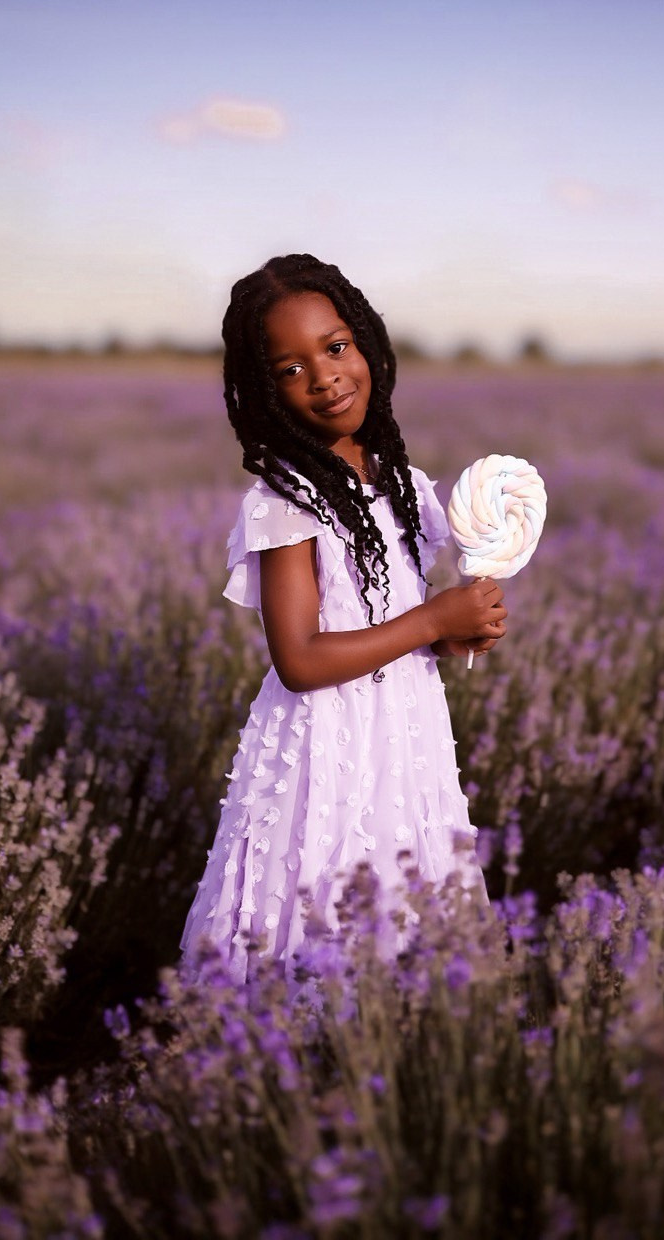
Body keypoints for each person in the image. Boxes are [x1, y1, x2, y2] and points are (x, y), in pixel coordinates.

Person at [180, 254, 507, 983]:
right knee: (314, 899)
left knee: (404, 906)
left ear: (366, 344)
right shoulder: (285, 499)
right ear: (264, 392)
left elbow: (400, 623)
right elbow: (298, 660)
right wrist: (430, 621)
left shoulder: (404, 482)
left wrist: (458, 631)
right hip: (321, 745)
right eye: (289, 369)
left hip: (406, 731)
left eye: (334, 348)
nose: (324, 377)